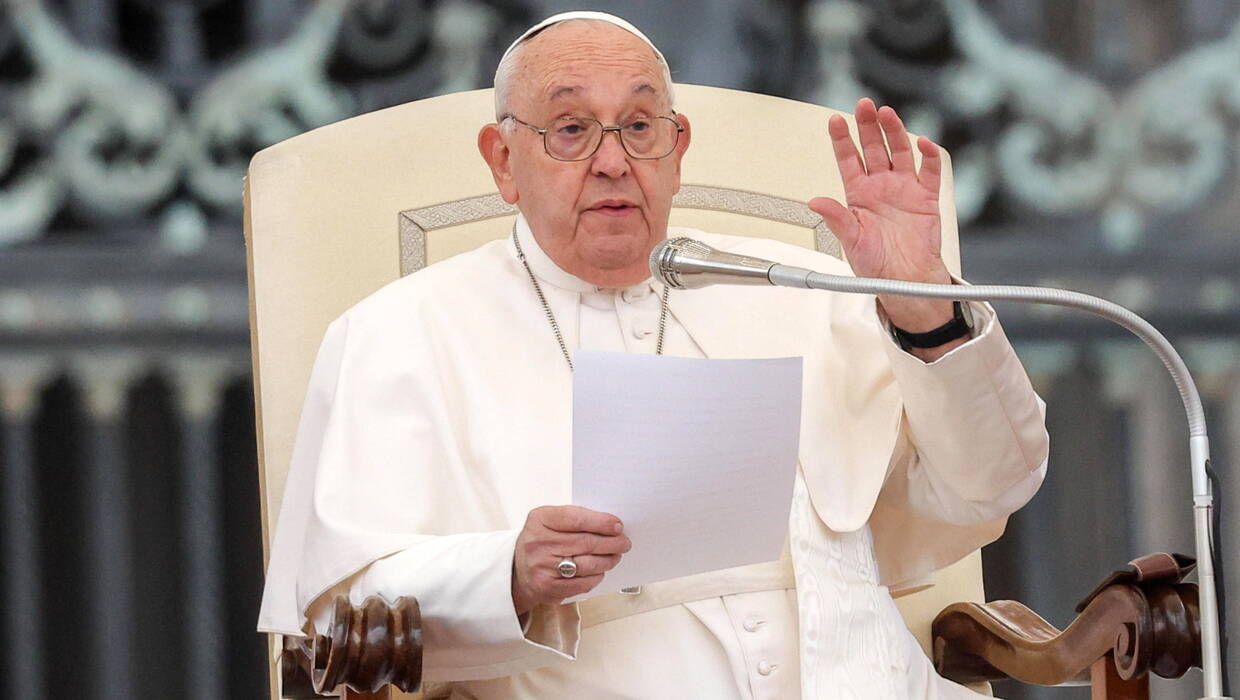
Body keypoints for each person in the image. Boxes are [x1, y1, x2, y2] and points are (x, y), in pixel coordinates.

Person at [258, 11, 1049, 699]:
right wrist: (507, 572)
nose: (612, 161)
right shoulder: (398, 334)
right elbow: (341, 620)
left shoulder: (803, 287)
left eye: (639, 127)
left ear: (677, 149)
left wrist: (925, 308)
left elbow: (993, 485)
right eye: (570, 130)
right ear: (503, 162)